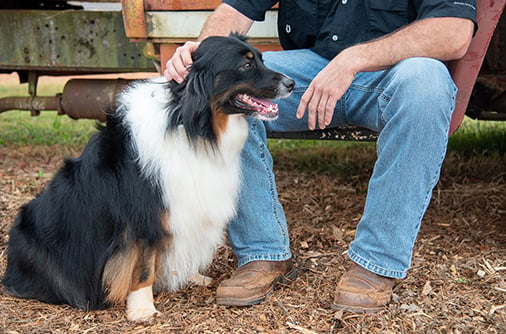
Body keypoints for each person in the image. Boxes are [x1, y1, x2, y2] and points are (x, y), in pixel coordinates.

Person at [165, 0, 477, 312]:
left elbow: (454, 31)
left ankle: (376, 263)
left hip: (397, 70)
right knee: (224, 89)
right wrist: (203, 53)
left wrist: (355, 59)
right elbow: (235, 10)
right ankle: (263, 253)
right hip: (312, 69)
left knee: (428, 86)